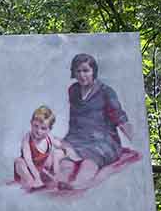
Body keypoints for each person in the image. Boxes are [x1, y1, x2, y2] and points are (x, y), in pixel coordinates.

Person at [56, 53, 136, 189]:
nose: (82, 75)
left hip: (103, 140)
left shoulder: (106, 92)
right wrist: (67, 142)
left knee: (89, 162)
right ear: (73, 72)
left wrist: (136, 140)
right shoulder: (73, 90)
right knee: (65, 161)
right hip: (78, 138)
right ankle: (62, 182)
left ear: (94, 71)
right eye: (78, 71)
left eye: (86, 70)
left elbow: (120, 118)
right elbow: (75, 119)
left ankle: (79, 184)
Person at [13, 105, 64, 190]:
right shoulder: (27, 138)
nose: (38, 131)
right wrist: (36, 177)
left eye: (43, 128)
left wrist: (63, 150)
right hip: (29, 168)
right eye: (35, 126)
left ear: (49, 129)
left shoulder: (49, 137)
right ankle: (30, 181)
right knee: (19, 162)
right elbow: (28, 161)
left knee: (56, 153)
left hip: (42, 168)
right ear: (31, 123)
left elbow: (60, 145)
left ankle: (55, 177)